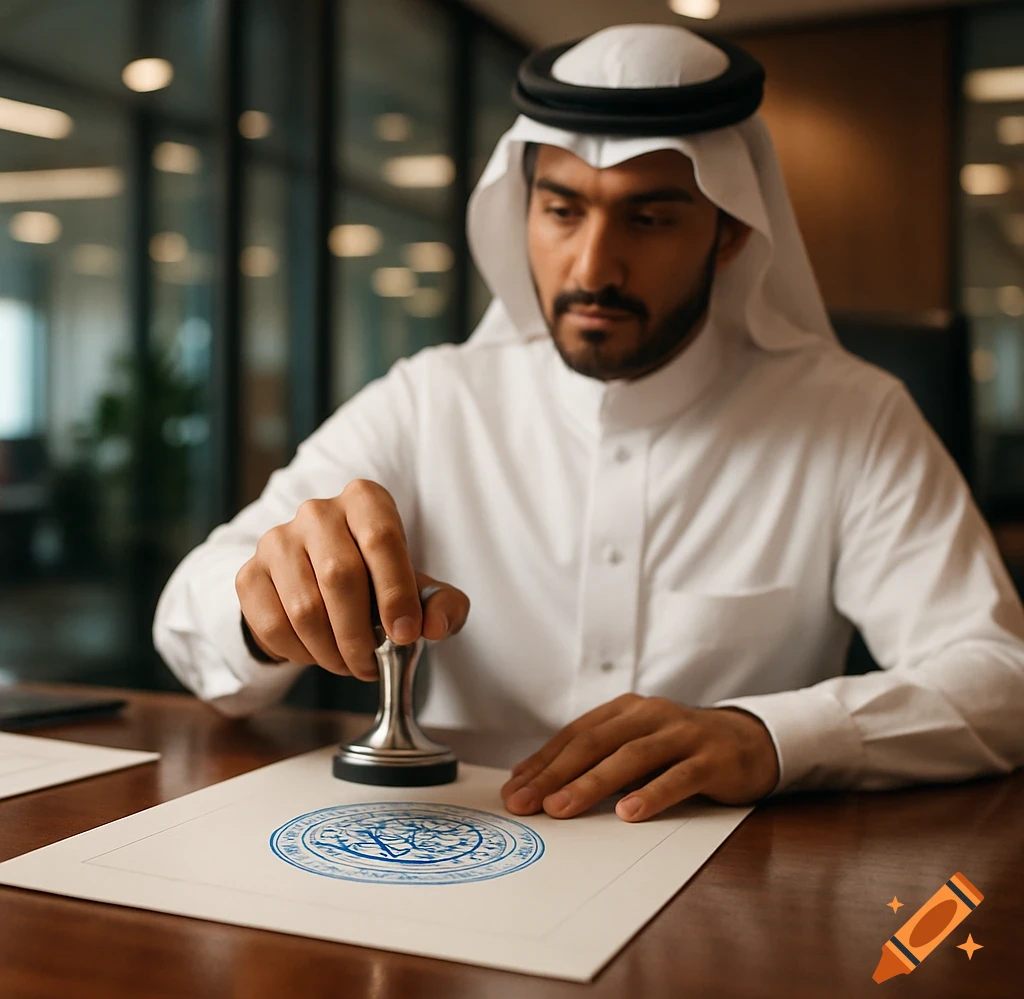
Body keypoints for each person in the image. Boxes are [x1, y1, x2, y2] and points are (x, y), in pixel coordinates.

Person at [154, 24, 1024, 824]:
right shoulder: (430, 401)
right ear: (521, 213)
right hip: (454, 866)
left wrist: (767, 737)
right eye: (562, 211)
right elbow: (189, 620)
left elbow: (998, 681)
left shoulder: (854, 417)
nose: (593, 266)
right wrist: (267, 604)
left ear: (727, 234)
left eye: (648, 218)